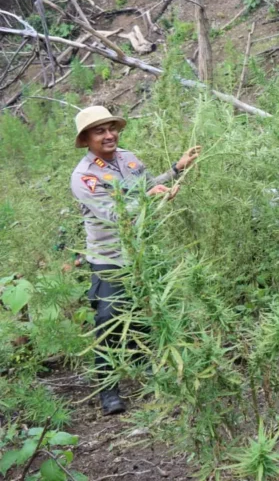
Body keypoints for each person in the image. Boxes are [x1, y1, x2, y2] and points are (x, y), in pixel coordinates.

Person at [70, 106, 201, 415]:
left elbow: (145, 184)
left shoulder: (129, 159)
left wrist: (175, 170)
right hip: (110, 259)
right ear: (87, 138)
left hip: (142, 254)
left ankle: (153, 377)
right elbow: (116, 215)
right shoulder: (85, 176)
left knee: (148, 316)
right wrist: (151, 197)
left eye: (111, 128)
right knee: (109, 323)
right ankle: (108, 392)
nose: (109, 135)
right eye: (99, 131)